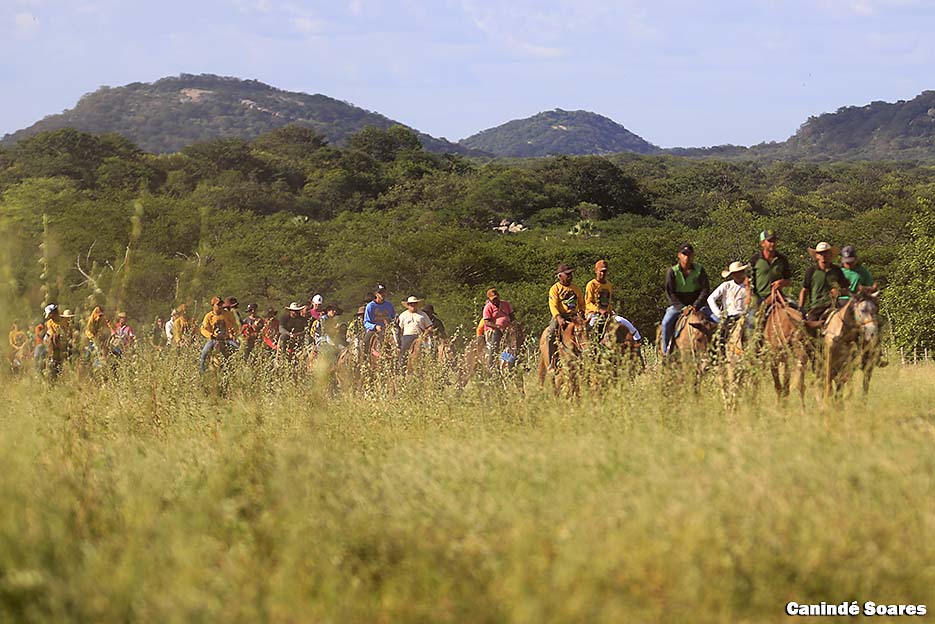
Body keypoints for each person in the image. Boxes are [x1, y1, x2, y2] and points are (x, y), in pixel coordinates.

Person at [661, 243, 713, 355]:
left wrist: (696, 305)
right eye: (684, 254)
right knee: (666, 323)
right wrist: (682, 307)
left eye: (689, 254)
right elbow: (670, 293)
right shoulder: (672, 272)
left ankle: (720, 350)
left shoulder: (699, 270)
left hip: (698, 305)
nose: (687, 257)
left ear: (693, 256)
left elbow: (705, 289)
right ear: (679, 255)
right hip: (678, 306)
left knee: (717, 320)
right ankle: (666, 352)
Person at [584, 259, 642, 342]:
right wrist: (599, 310)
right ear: (596, 271)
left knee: (622, 320)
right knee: (591, 326)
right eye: (601, 271)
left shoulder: (609, 285)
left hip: (607, 313)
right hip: (593, 313)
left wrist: (610, 311)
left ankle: (637, 338)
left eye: (605, 271)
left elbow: (608, 302)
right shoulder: (591, 284)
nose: (603, 274)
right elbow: (588, 302)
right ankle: (587, 344)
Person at [747, 230, 793, 327]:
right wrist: (749, 296)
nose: (773, 243)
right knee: (751, 323)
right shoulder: (755, 260)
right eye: (770, 241)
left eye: (774, 241)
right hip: (760, 297)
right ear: (762, 243)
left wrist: (781, 282)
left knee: (800, 312)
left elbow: (789, 280)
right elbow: (747, 280)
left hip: (778, 296)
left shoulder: (782, 259)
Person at [799, 241, 850, 325]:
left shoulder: (837, 270)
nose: (823, 255)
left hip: (833, 307)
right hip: (816, 308)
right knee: (809, 327)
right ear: (817, 256)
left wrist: (839, 292)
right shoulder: (811, 271)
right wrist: (800, 307)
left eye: (826, 253)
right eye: (820, 253)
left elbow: (847, 289)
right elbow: (804, 290)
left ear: (830, 254)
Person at [545, 263, 585, 366]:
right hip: (560, 316)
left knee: (587, 330)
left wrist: (582, 311)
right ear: (560, 276)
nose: (570, 276)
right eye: (567, 274)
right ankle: (551, 362)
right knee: (551, 333)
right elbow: (553, 306)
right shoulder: (555, 289)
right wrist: (558, 318)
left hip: (574, 316)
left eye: (571, 274)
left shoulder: (575, 288)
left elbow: (581, 303)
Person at [396, 296, 432, 370]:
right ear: (408, 305)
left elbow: (430, 326)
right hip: (408, 335)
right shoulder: (403, 315)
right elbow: (399, 328)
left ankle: (431, 366)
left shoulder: (423, 315)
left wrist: (426, 333)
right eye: (411, 304)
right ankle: (401, 367)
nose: (413, 305)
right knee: (403, 349)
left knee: (430, 349)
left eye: (415, 303)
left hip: (421, 336)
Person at [199, 296, 234, 373]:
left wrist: (231, 333)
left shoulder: (227, 314)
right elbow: (203, 329)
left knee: (237, 348)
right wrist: (210, 335)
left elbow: (233, 325)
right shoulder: (209, 316)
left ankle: (234, 369)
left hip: (226, 339)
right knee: (204, 353)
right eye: (218, 304)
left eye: (221, 304)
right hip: (214, 339)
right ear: (213, 305)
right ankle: (202, 371)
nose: (220, 306)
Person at [482, 288, 514, 367]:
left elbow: (512, 316)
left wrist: (513, 325)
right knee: (494, 347)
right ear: (489, 299)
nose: (495, 300)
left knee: (511, 346)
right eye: (493, 299)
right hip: (494, 330)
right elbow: (487, 322)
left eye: (496, 298)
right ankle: (491, 365)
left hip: (507, 329)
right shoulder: (488, 307)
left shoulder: (506, 304)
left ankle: (510, 364)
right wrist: (498, 327)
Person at [363, 284, 396, 355]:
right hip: (374, 330)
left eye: (384, 292)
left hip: (387, 329)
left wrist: (392, 323)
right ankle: (365, 359)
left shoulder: (389, 305)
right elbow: (366, 322)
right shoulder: (370, 306)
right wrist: (375, 326)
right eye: (380, 293)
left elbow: (394, 317)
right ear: (376, 294)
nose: (382, 294)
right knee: (365, 342)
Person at [278, 302, 308, 368]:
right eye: (294, 311)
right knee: (283, 337)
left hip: (299, 336)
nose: (295, 312)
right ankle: (283, 356)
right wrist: (289, 334)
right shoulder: (284, 318)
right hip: (287, 335)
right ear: (290, 311)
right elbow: (281, 329)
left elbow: (306, 329)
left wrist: (298, 334)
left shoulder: (302, 319)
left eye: (297, 311)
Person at [43, 304, 66, 379]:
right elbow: (53, 335)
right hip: (52, 341)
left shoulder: (63, 320)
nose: (50, 317)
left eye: (51, 314)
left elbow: (67, 330)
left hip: (62, 339)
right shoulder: (50, 322)